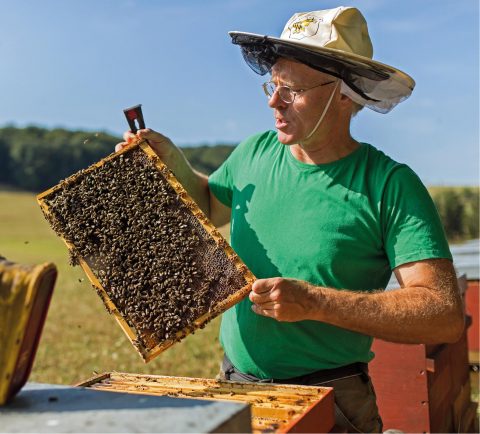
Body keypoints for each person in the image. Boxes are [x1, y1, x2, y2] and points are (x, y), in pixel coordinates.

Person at [116, 6, 464, 432]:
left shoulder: (389, 185)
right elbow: (210, 206)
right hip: (234, 386)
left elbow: (441, 313)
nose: (272, 100)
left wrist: (315, 302)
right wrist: (176, 166)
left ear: (342, 93)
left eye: (291, 89)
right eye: (273, 84)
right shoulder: (256, 151)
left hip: (332, 400)